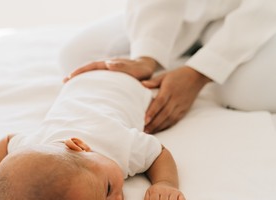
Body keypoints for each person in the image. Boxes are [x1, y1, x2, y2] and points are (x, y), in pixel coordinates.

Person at [0, 70, 186, 200]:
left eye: (108, 189)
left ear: (80, 146)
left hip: (127, 83)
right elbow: (8, 142)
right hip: (78, 84)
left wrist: (165, 182)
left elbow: (159, 153)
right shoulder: (36, 147)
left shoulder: (120, 143)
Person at [60, 0, 276, 133]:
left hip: (260, 17)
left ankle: (188, 68)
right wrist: (146, 57)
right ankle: (175, 67)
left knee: (248, 93)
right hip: (186, 11)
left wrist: (199, 73)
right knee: (76, 55)